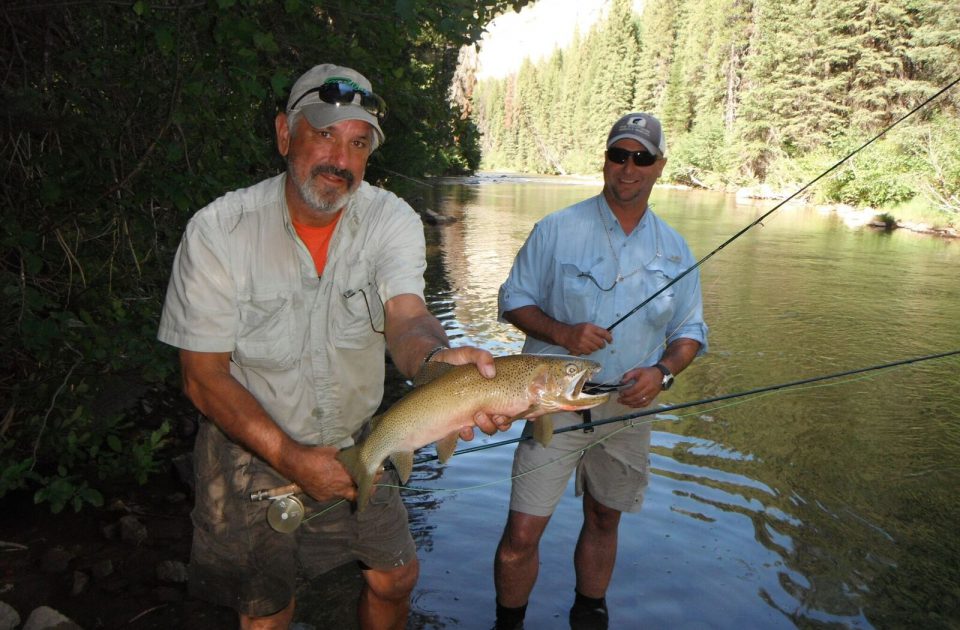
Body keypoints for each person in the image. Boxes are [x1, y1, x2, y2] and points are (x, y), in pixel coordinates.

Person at [158, 63, 504, 630]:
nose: (340, 161)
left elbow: (407, 317)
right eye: (324, 134)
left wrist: (439, 363)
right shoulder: (218, 231)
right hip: (250, 448)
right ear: (283, 134)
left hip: (359, 440)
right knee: (267, 610)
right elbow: (202, 377)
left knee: (395, 578)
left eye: (358, 143)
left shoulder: (389, 218)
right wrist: (291, 458)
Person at [492, 113, 709, 629]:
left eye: (642, 158)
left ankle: (589, 614)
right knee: (522, 532)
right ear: (605, 160)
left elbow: (690, 333)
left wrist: (663, 372)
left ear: (659, 167)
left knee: (604, 517)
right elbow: (512, 301)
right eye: (619, 155)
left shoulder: (676, 249)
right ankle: (508, 621)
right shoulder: (556, 230)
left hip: (629, 406)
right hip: (551, 400)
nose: (628, 168)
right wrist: (564, 334)